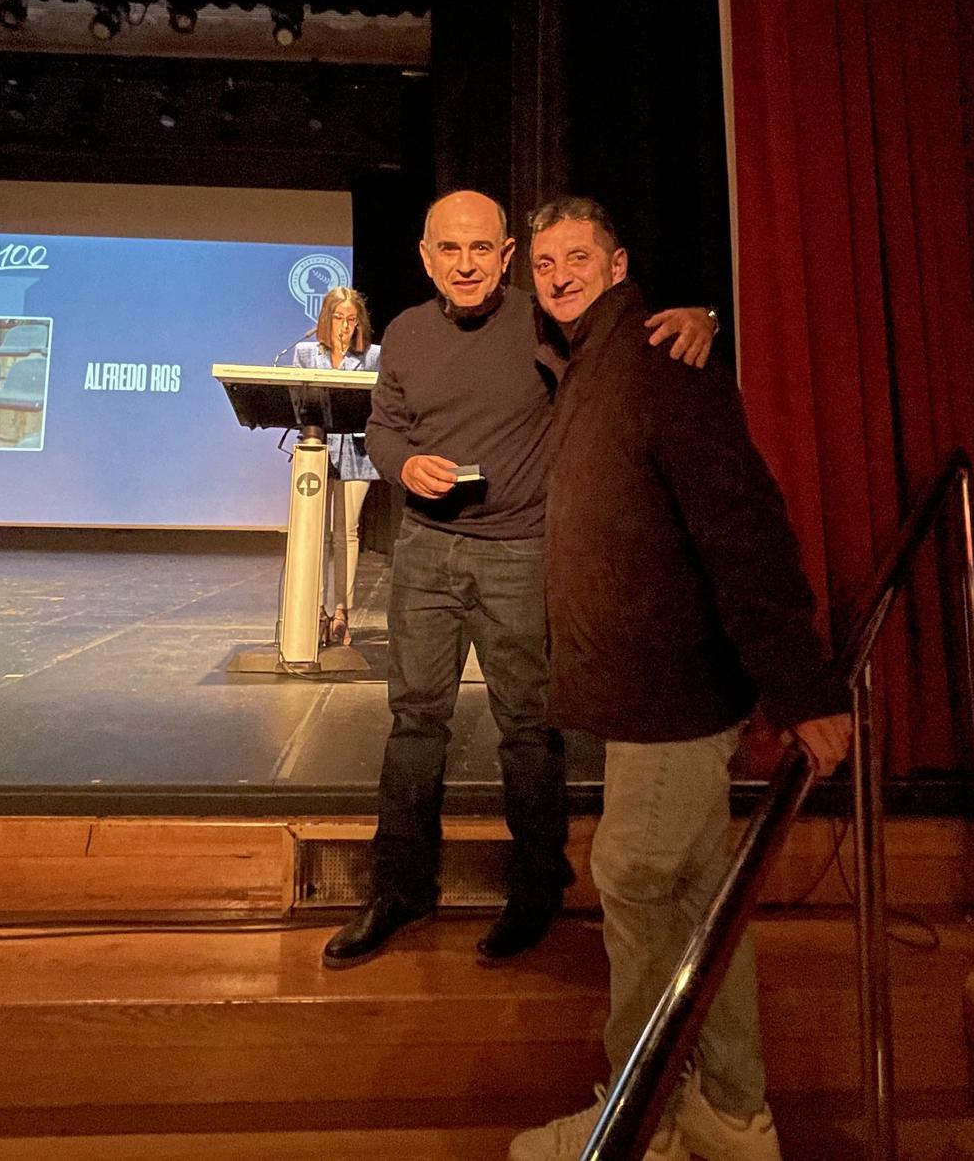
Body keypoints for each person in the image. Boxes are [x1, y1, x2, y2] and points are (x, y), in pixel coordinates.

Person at [510, 197, 854, 1161]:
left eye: (579, 256)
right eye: (544, 263)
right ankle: (735, 1114)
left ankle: (641, 1124)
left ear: (619, 267)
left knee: (636, 880)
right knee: (701, 895)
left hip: (669, 697)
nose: (561, 272)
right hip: (645, 696)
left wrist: (806, 685)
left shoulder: (663, 362)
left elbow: (741, 524)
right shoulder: (593, 361)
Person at [322, 189, 717, 972]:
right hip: (427, 552)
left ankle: (538, 887)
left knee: (530, 733)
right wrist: (404, 464)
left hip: (521, 552)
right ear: (426, 256)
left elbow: (627, 338)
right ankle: (401, 888)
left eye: (481, 250)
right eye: (449, 250)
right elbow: (384, 426)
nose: (465, 265)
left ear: (505, 257)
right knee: (414, 723)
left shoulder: (544, 320)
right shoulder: (402, 332)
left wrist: (704, 313)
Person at [284, 286, 381, 645]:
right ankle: (314, 610)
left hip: (357, 452)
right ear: (327, 319)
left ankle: (341, 612)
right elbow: (297, 401)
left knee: (346, 532)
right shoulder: (306, 353)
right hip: (317, 451)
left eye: (351, 319)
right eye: (338, 318)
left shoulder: (372, 356)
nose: (345, 325)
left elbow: (380, 406)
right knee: (314, 532)